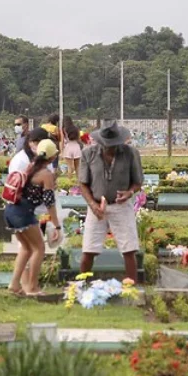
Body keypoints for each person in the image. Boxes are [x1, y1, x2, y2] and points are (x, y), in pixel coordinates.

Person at [78, 121, 143, 282]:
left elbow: (138, 182)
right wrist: (93, 205)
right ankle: (81, 286)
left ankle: (131, 286)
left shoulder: (130, 153)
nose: (110, 148)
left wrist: (129, 193)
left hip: (120, 205)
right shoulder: (88, 154)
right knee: (89, 249)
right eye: (107, 145)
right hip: (96, 206)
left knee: (129, 249)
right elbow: (83, 184)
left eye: (113, 145)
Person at [4, 138, 61, 296]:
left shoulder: (29, 168)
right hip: (23, 213)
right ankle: (32, 287)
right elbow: (50, 202)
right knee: (39, 248)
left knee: (27, 248)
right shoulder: (46, 174)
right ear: (52, 157)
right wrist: (57, 226)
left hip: (11, 210)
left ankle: (15, 284)